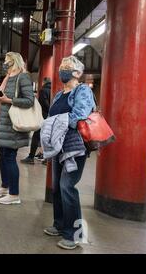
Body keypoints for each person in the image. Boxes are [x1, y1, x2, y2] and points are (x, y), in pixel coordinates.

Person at [41, 56, 95, 250]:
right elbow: (50, 117)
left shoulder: (82, 91)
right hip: (58, 146)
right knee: (57, 186)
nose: (62, 69)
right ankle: (59, 224)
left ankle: (73, 235)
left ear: (78, 73)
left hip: (74, 147)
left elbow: (79, 116)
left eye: (67, 67)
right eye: (61, 66)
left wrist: (57, 123)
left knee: (67, 186)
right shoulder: (58, 94)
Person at [0, 52, 34, 205]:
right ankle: (5, 187)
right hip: (3, 124)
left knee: (9, 158)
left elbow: (29, 101)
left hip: (13, 125)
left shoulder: (23, 77)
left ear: (14, 62)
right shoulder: (7, 79)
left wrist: (8, 100)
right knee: (3, 156)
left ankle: (14, 194)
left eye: (7, 61)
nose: (5, 63)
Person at [21, 77, 51, 165]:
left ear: (44, 82)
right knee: (48, 138)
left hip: (43, 117)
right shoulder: (53, 90)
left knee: (36, 137)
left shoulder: (43, 91)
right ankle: (46, 159)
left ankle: (31, 157)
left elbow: (43, 104)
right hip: (51, 118)